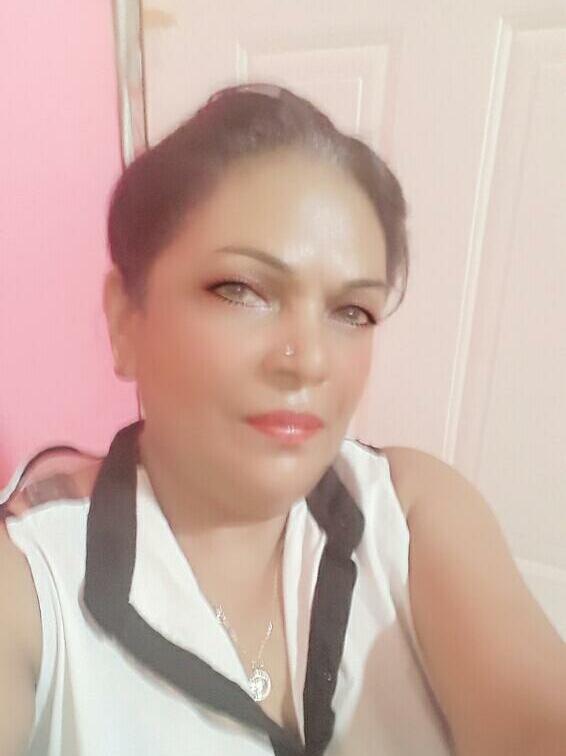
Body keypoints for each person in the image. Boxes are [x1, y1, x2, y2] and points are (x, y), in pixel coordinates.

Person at [1, 83, 564, 756]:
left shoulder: (411, 513)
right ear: (126, 319)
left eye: (352, 311)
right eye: (242, 290)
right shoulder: (30, 584)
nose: (310, 360)